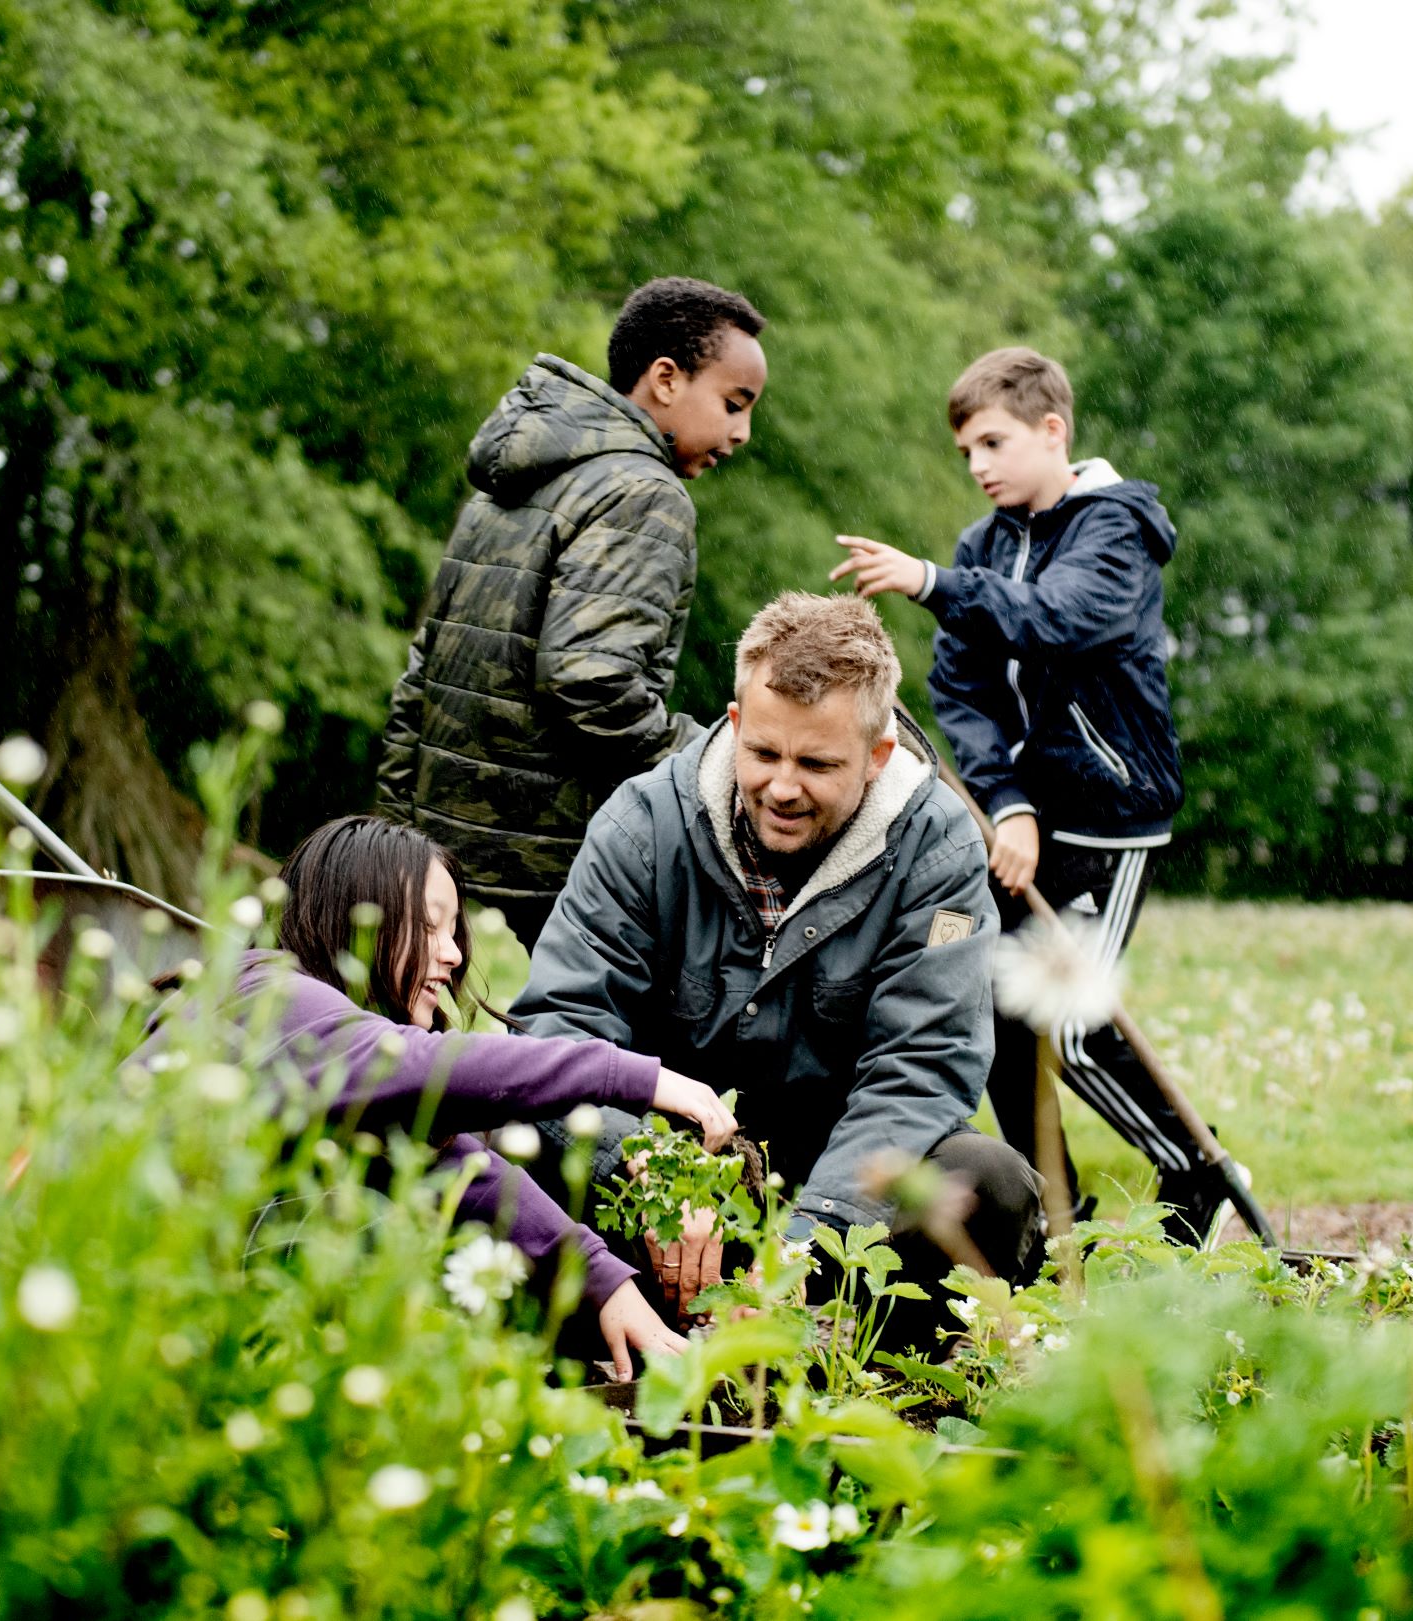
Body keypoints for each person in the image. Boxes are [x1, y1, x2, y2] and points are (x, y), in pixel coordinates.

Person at [513, 593, 1038, 1342]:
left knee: (990, 1181)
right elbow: (559, 1028)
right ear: (734, 724)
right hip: (666, 1186)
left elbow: (921, 1067)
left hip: (845, 1189)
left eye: (817, 763)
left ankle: (848, 1354)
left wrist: (808, 1240)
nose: (783, 787)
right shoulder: (643, 824)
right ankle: (627, 1327)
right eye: (764, 753)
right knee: (513, 1138)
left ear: (877, 754)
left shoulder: (940, 848)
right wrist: (653, 1173)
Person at [829, 345, 1236, 1246]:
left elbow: (1063, 620)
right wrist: (1007, 801)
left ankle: (1199, 1173)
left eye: (993, 443)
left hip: (1113, 813)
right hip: (1029, 819)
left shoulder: (1114, 532)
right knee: (1000, 1012)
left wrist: (931, 582)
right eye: (966, 451)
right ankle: (1056, 1208)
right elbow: (963, 691)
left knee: (1076, 1027)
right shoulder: (985, 545)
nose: (977, 466)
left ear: (1053, 431)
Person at [131, 814, 740, 1379]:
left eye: (454, 931)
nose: (451, 954)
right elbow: (433, 1068)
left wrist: (604, 1282)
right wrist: (632, 1077)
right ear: (356, 918)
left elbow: (463, 1173)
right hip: (116, 1299)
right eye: (428, 926)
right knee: (361, 1226)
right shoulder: (276, 996)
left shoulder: (344, 1075)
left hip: (170, 1302)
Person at [378, 276, 769, 950]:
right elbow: (591, 682)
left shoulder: (518, 478)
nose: (742, 433)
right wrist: (712, 764)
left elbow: (424, 668)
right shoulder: (645, 494)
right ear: (666, 379)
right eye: (734, 404)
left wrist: (397, 842)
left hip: (436, 866)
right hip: (542, 883)